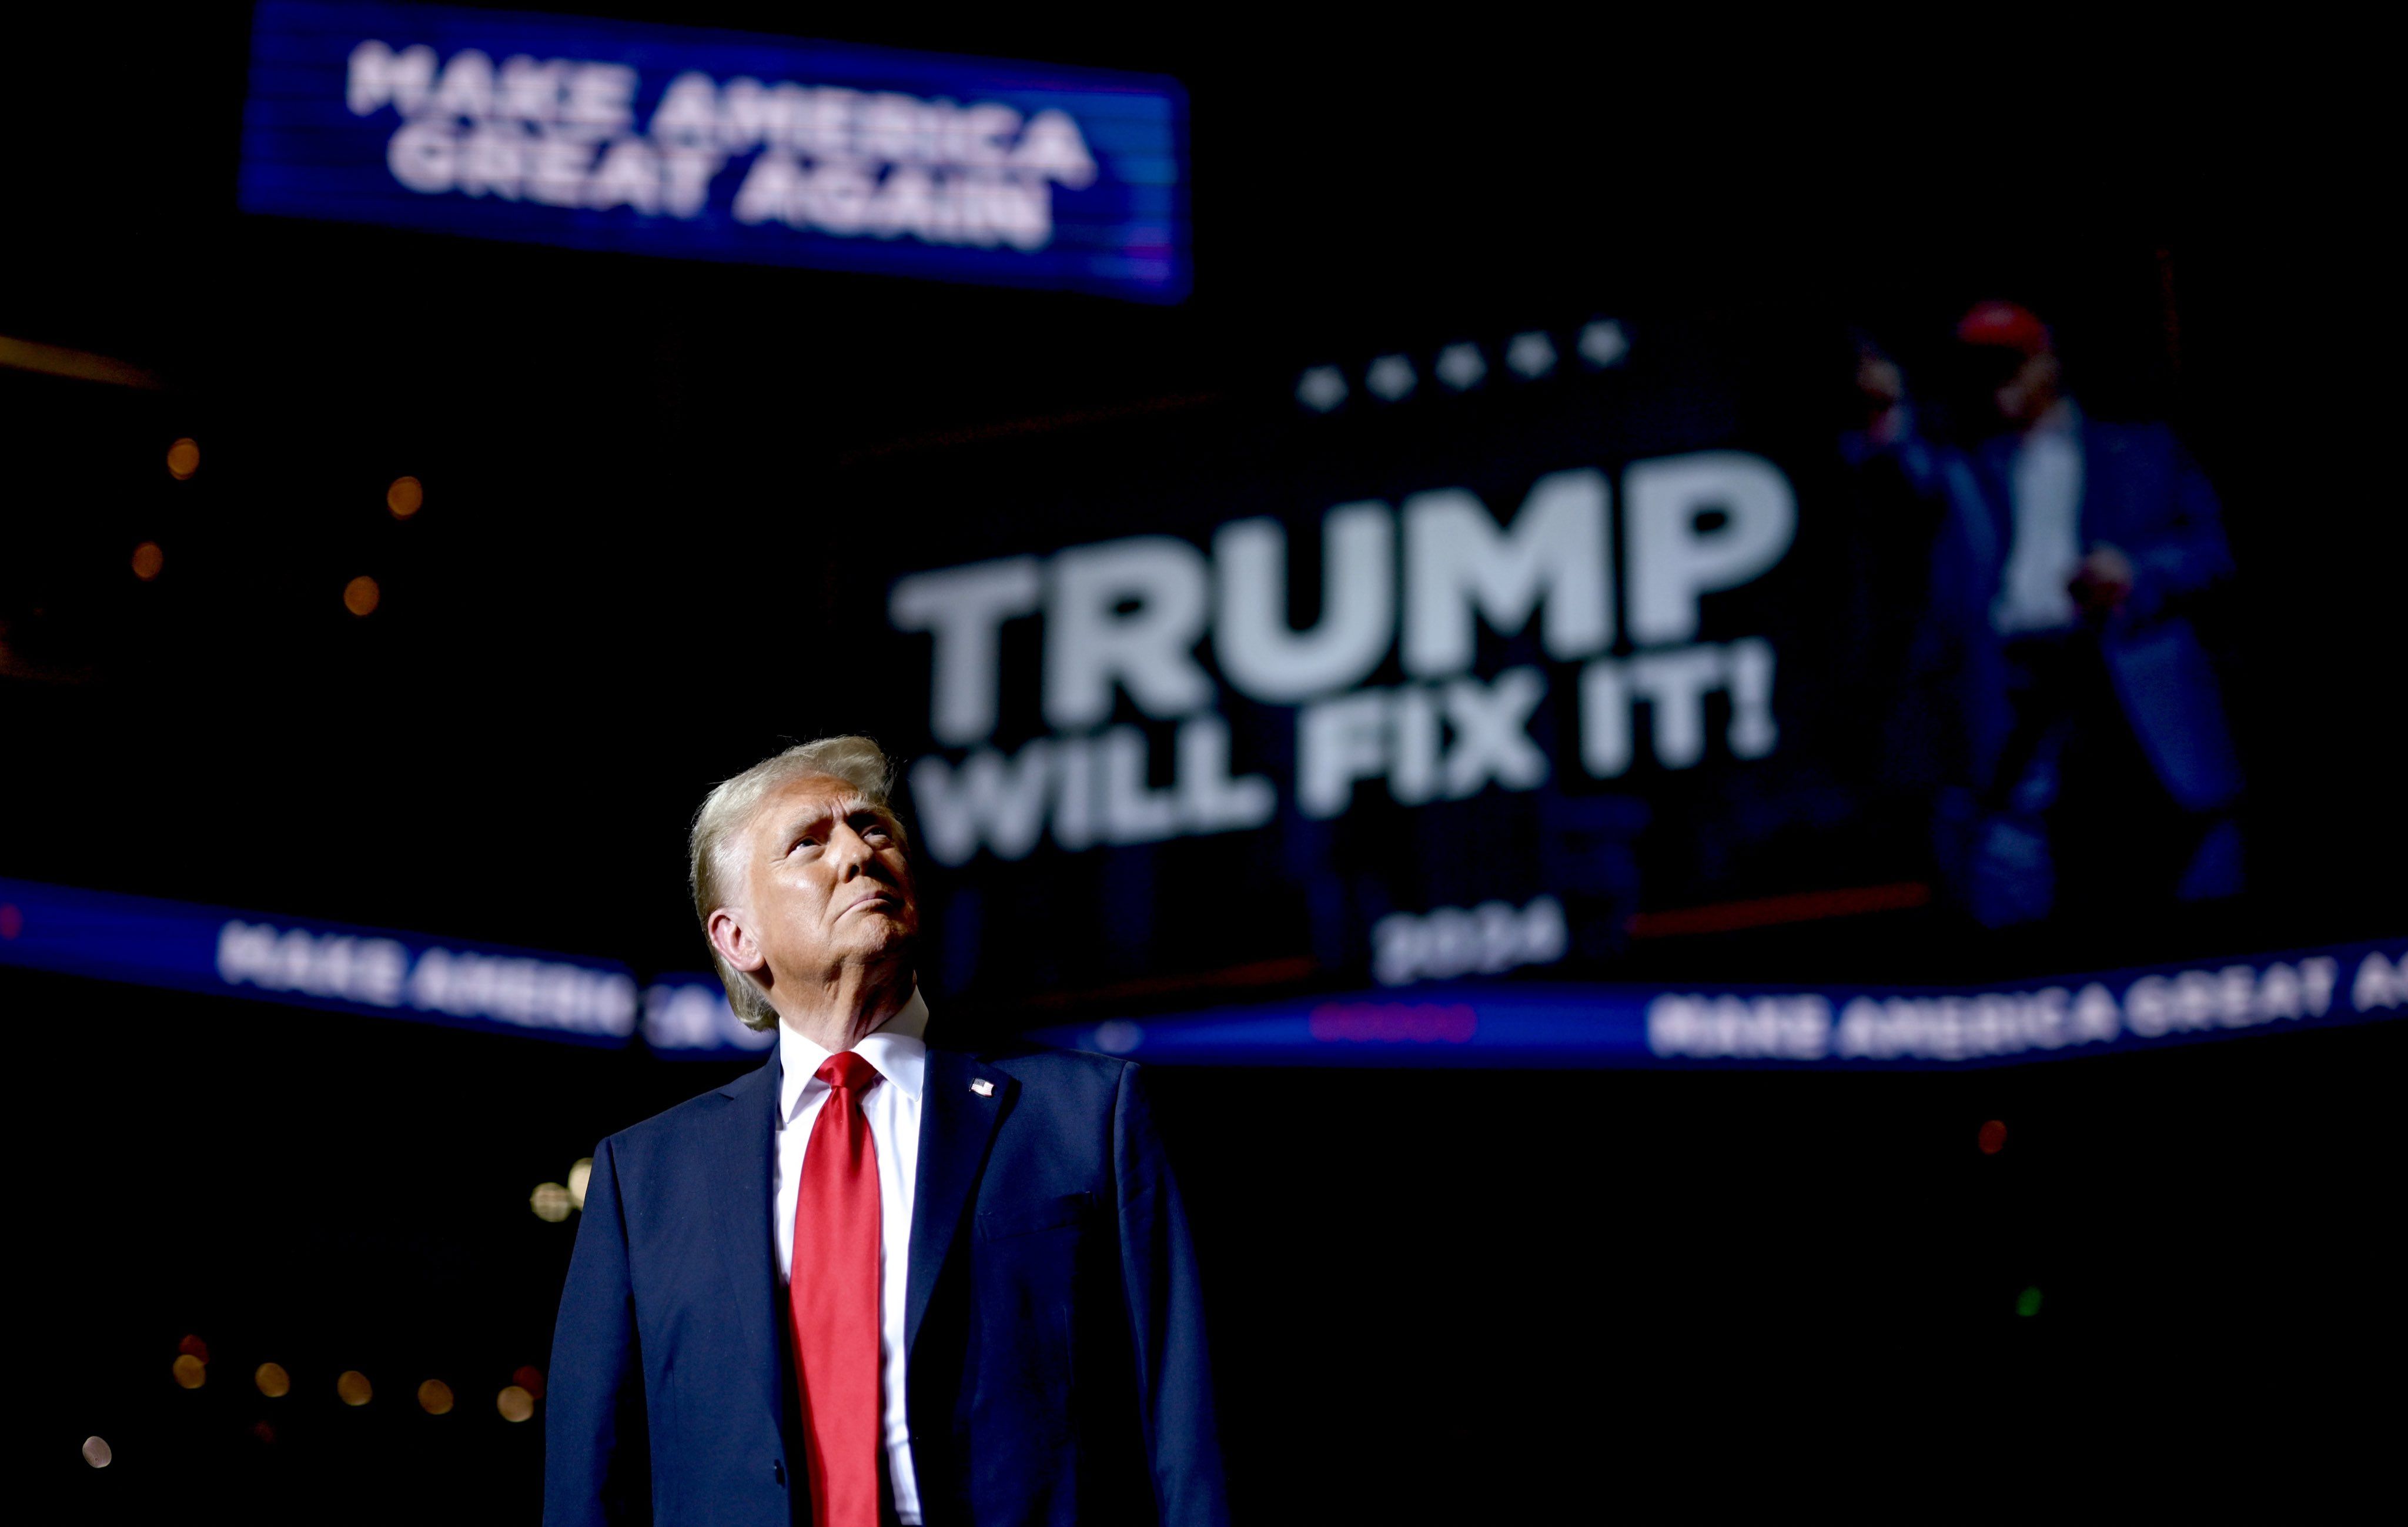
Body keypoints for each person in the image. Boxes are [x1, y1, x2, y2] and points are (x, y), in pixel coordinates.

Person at [544, 737, 1225, 1526]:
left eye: (875, 830)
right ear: (738, 939)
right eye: (811, 841)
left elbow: (1183, 1422)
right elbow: (589, 1481)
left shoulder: (1085, 1116)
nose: (858, 854)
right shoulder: (644, 1176)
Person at [1925, 300, 2244, 924]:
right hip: (2023, 694)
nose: (1999, 382)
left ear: (2048, 360)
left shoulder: (2140, 448)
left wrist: (2135, 571)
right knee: (2011, 873)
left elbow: (2214, 548)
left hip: (2129, 680)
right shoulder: (1967, 475)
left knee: (2196, 877)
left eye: (2010, 363)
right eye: (1981, 369)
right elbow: (1900, 471)